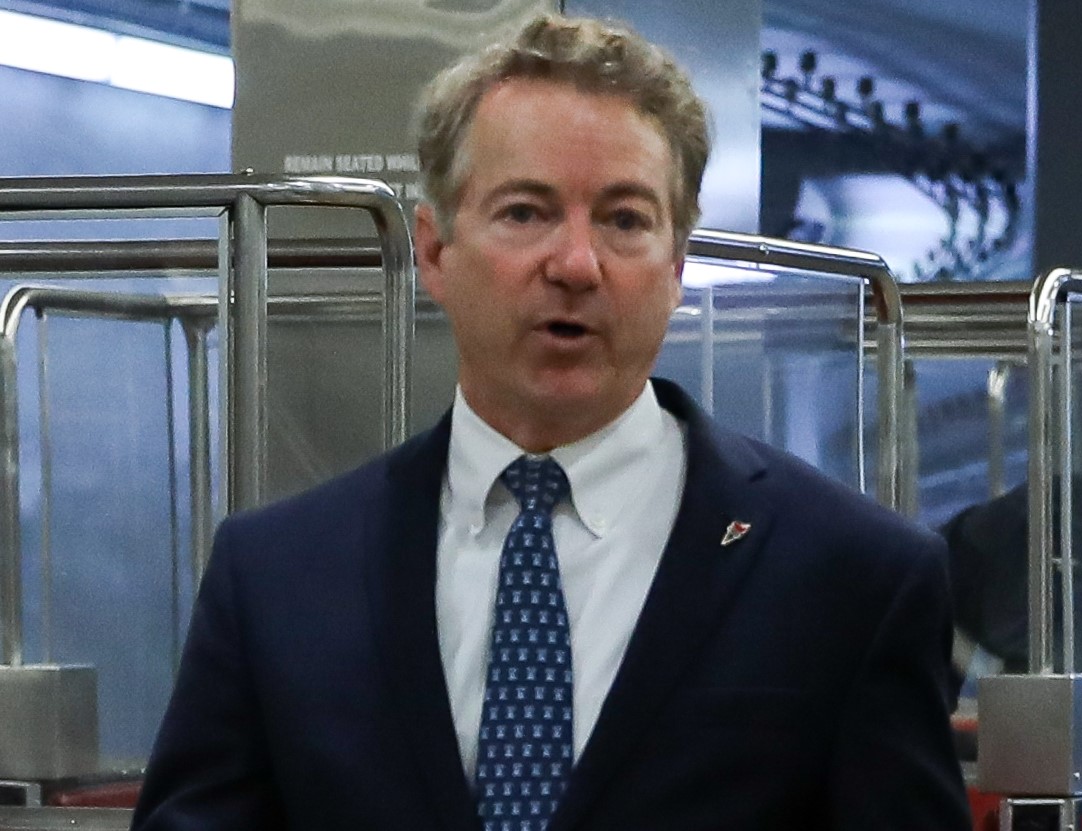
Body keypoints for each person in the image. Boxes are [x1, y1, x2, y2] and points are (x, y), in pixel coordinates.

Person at [131, 13, 971, 831]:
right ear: (432, 251)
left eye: (624, 219)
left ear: (676, 264)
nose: (574, 265)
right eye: (525, 211)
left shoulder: (852, 576)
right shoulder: (277, 579)